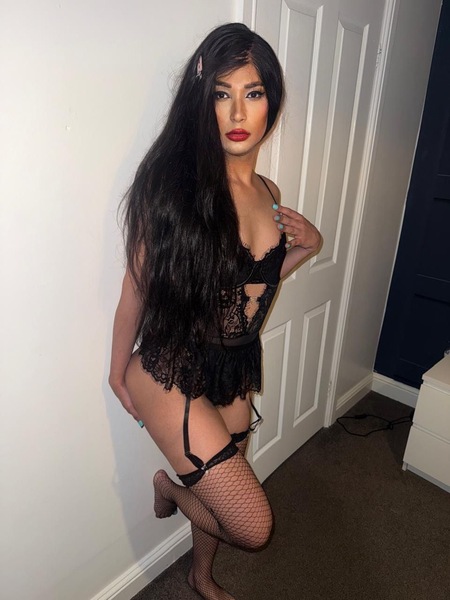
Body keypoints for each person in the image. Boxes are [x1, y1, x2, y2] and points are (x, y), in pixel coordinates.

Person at [110, 22, 321, 600]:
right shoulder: (173, 188)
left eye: (253, 93)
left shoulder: (270, 193)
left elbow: (248, 289)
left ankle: (200, 576)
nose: (237, 112)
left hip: (234, 364)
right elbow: (135, 289)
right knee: (252, 526)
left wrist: (306, 249)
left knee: (224, 497)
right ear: (202, 100)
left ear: (272, 102)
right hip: (171, 364)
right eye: (222, 94)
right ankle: (171, 490)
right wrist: (116, 372)